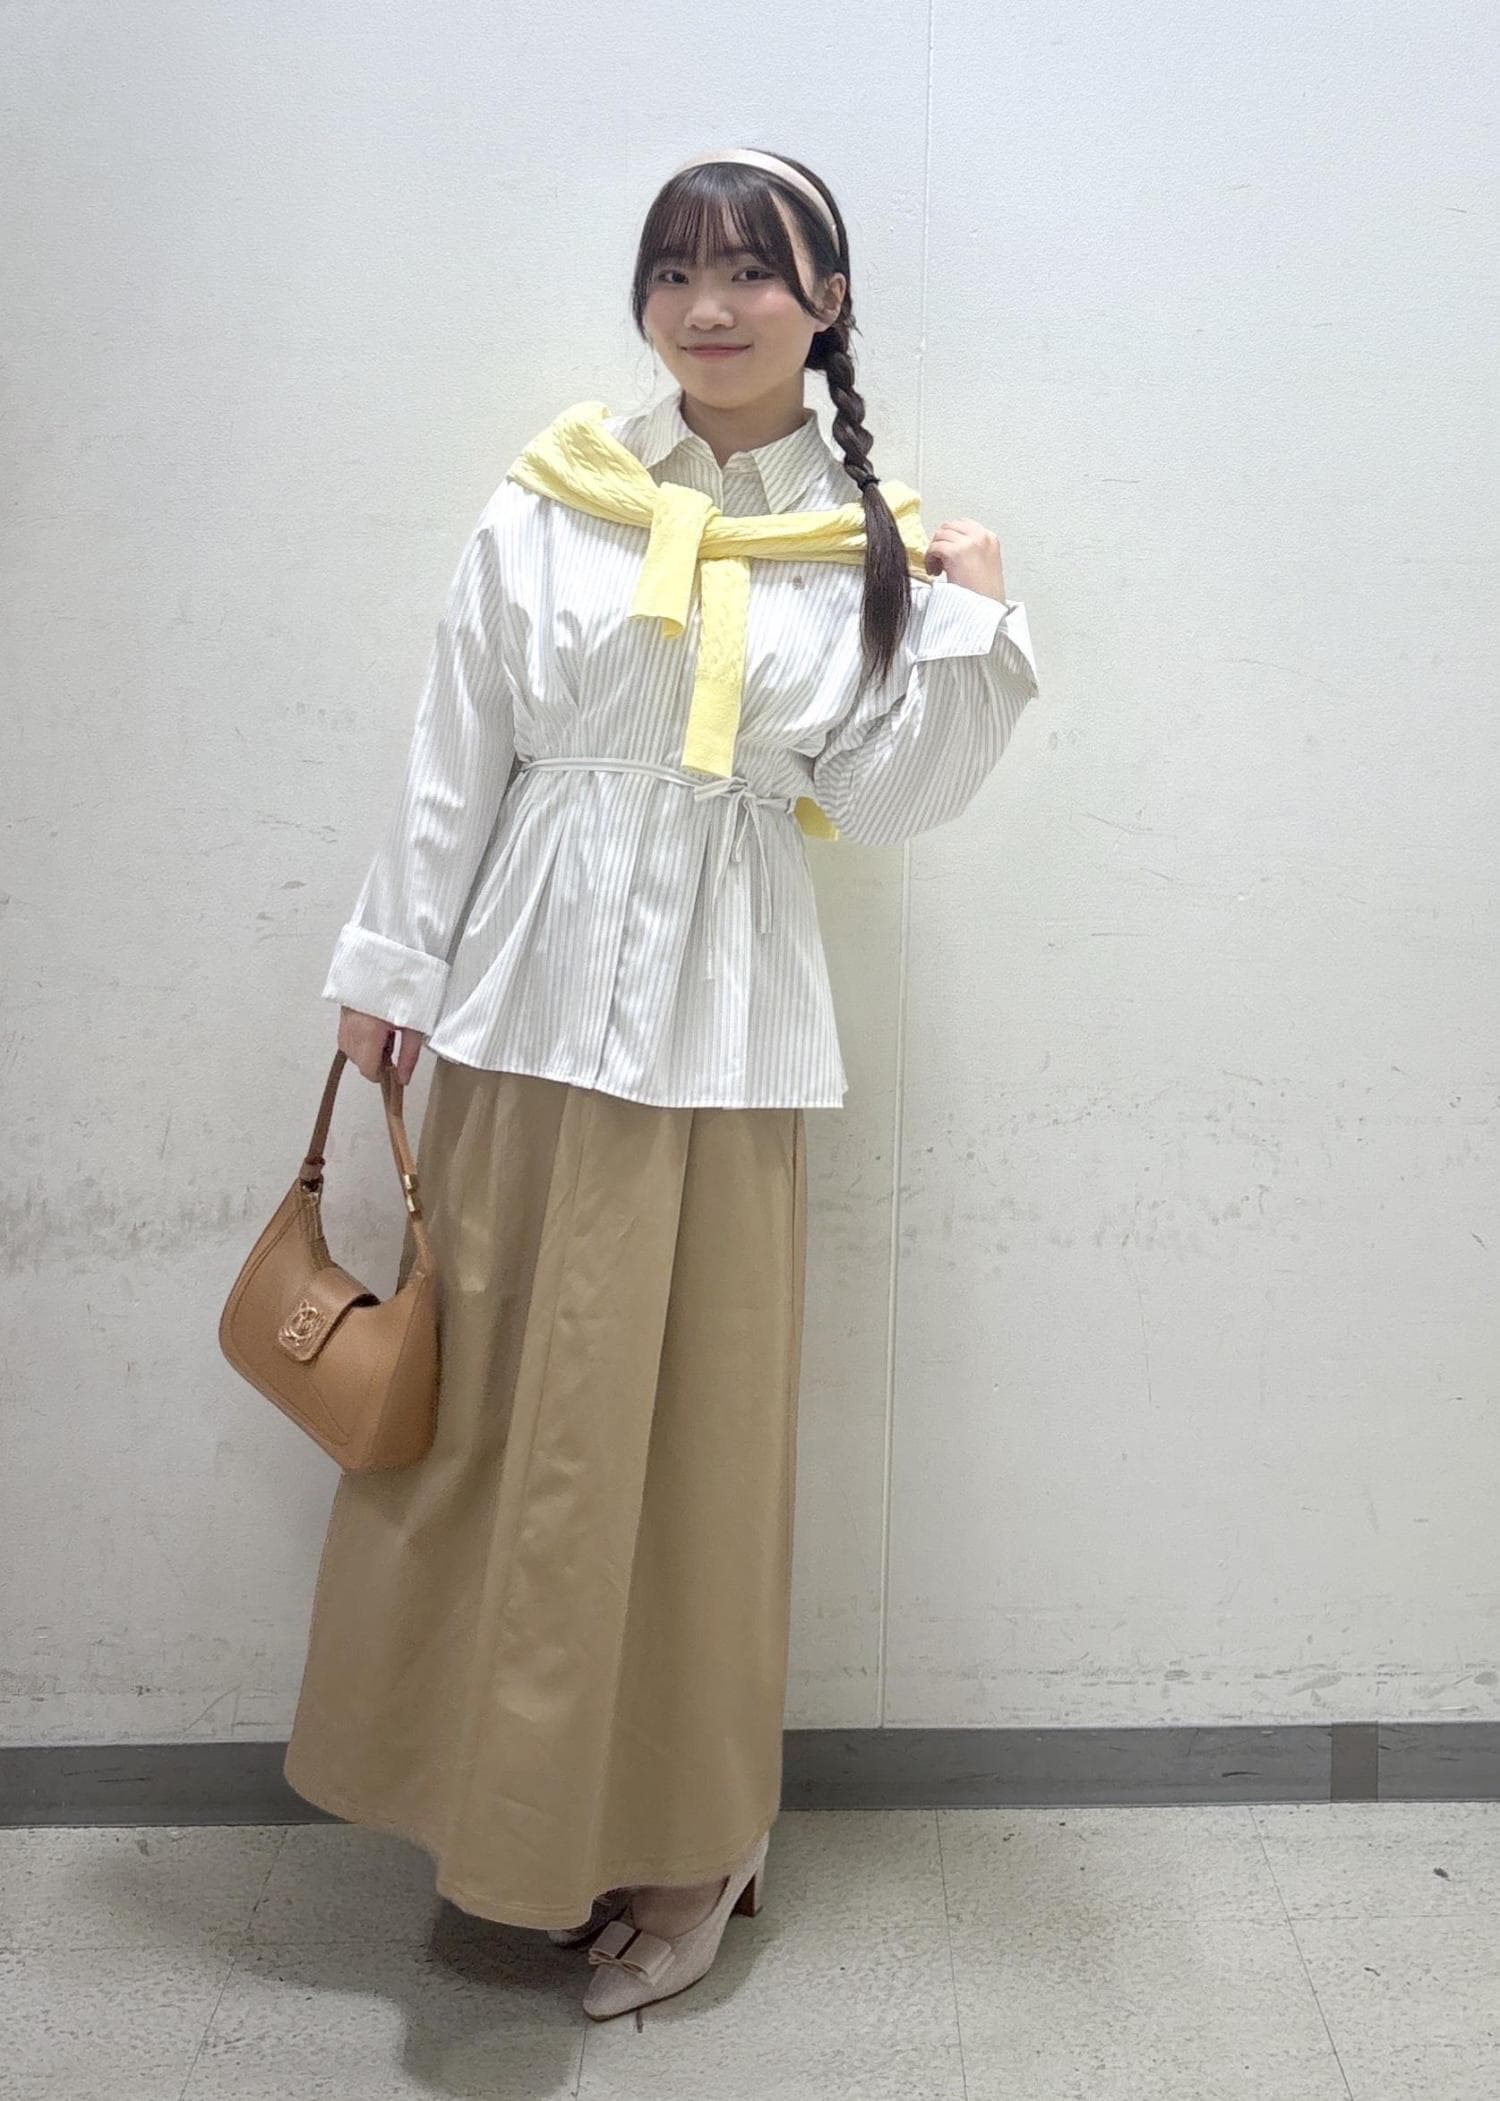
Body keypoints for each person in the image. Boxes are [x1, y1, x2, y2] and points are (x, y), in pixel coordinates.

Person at [281, 146, 1040, 2021]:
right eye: (676, 270)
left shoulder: (871, 542)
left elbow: (881, 800)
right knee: (492, 1436)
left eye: (754, 271)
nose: (711, 305)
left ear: (826, 302)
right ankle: (508, 1819)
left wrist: (972, 619)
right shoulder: (557, 494)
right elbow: (461, 735)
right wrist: (389, 971)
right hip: (524, 1013)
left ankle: (698, 1843)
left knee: (692, 1457)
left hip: (723, 1037)